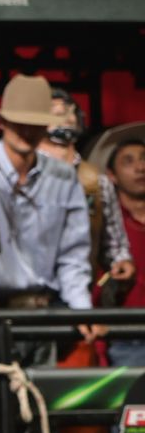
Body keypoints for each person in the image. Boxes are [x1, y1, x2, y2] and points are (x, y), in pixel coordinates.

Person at [0, 75, 96, 339]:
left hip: (44, 314)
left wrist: (81, 310)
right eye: (19, 123)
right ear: (2, 122)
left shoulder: (63, 177)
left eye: (35, 124)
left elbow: (73, 255)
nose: (27, 131)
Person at [37, 91, 128, 315]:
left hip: (77, 293)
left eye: (70, 113)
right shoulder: (25, 173)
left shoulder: (95, 181)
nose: (65, 118)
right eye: (56, 113)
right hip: (29, 294)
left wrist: (121, 262)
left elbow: (114, 243)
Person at [90, 121, 145, 368]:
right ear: (111, 175)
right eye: (128, 161)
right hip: (125, 338)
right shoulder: (103, 223)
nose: (140, 167)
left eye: (144, 158)